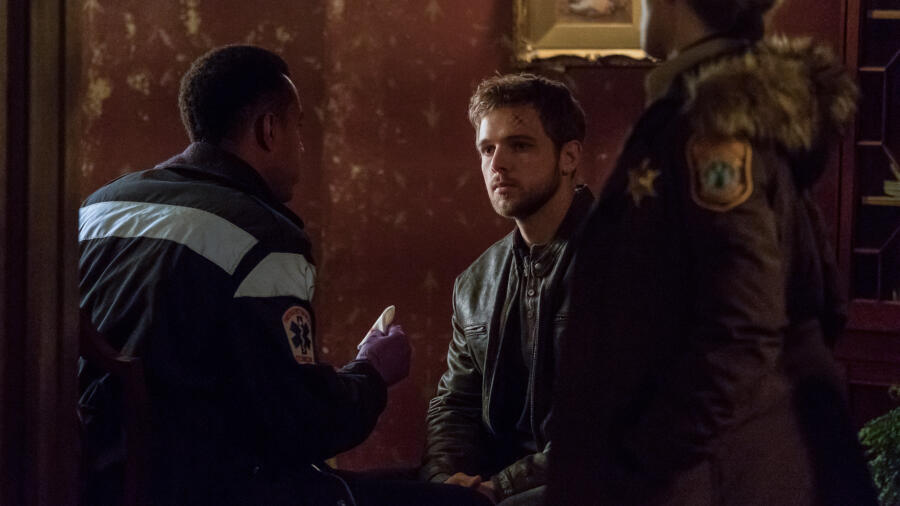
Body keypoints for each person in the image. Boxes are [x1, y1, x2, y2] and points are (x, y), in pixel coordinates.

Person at [78, 45, 492, 506]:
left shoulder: (99, 206)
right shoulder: (260, 235)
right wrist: (373, 373)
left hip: (82, 483)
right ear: (268, 129)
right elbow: (302, 426)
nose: (300, 144)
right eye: (298, 126)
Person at [547, 0, 879, 504]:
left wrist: (645, 456)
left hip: (725, 474)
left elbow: (744, 320)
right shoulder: (702, 113)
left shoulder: (716, 125)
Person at [420, 73, 594, 505]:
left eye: (519, 145)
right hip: (497, 485)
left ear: (569, 156)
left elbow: (610, 421)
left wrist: (499, 488)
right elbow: (455, 404)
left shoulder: (624, 260)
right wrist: (447, 480)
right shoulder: (476, 282)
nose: (497, 164)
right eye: (487, 148)